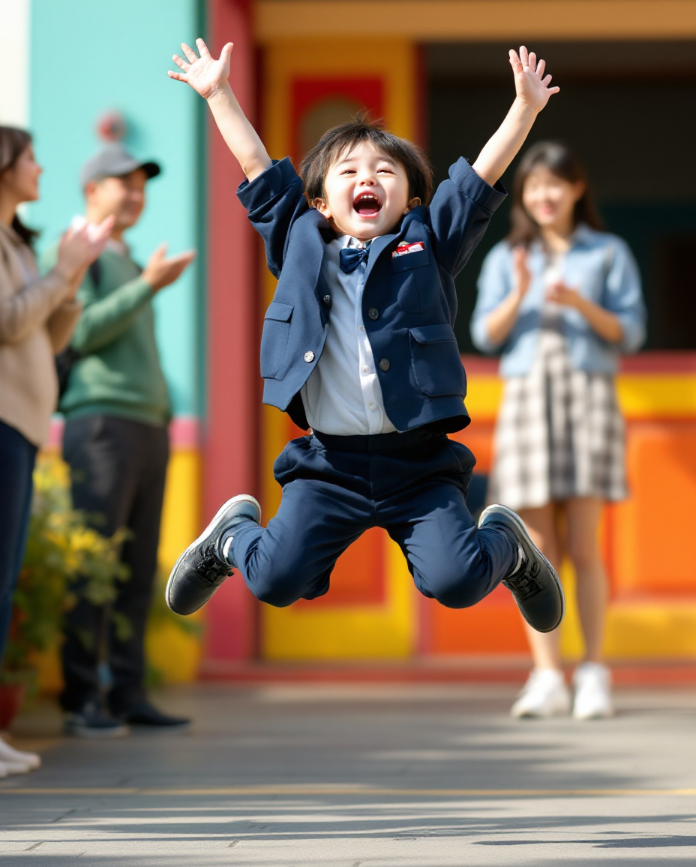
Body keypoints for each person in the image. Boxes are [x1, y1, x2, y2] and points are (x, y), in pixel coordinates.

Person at [165, 38, 565, 642]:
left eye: (384, 171)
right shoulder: (299, 240)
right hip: (330, 466)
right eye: (348, 172)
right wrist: (218, 92)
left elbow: (482, 175)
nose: (367, 178)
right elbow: (255, 166)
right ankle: (230, 538)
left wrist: (525, 111)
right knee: (275, 580)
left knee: (456, 582)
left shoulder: (428, 242)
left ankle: (508, 549)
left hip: (418, 466)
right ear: (323, 202)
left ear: (411, 198)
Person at [471, 141, 646, 720]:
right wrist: (521, 293)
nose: (544, 195)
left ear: (576, 189)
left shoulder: (608, 252)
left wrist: (577, 303)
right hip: (527, 402)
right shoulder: (507, 257)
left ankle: (593, 671)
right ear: (523, 195)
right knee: (536, 550)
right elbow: (485, 334)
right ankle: (547, 676)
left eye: (555, 184)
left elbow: (632, 331)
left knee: (583, 547)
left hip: (588, 397)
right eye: (533, 186)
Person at [43, 144, 195, 738]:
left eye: (140, 185)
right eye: (121, 183)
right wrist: (149, 287)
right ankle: (82, 699)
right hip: (100, 424)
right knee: (95, 567)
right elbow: (76, 330)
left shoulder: (127, 257)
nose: (134, 193)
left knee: (135, 569)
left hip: (146, 426)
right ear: (90, 193)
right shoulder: (81, 253)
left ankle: (128, 693)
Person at [0, 126, 112, 771]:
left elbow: (48, 337)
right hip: (6, 424)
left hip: (24, 424)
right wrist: (63, 270)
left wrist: (71, 280)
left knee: (3, 585)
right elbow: (10, 321)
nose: (41, 170)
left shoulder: (19, 242)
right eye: (30, 159)